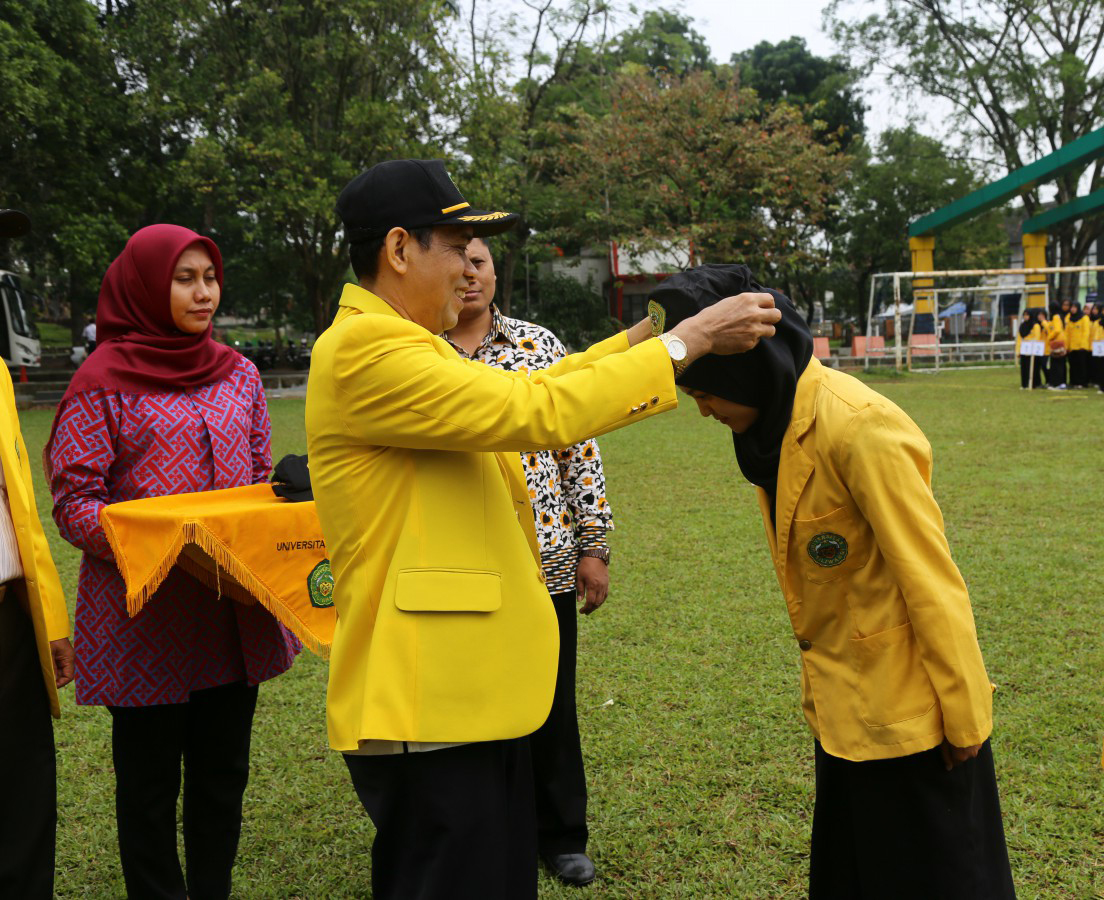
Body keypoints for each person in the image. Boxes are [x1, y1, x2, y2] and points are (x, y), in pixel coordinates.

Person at [305, 158, 781, 900]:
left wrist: (653, 332)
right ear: (399, 251)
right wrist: (687, 345)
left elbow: (538, 385)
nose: (471, 267)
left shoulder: (408, 343)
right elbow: (535, 414)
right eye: (457, 247)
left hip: (465, 690)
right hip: (428, 698)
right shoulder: (369, 349)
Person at [660, 264, 1014, 899]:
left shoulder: (860, 427)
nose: (704, 409)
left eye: (706, 393)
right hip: (845, 712)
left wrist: (965, 719)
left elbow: (930, 578)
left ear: (746, 370)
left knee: (940, 876)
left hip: (914, 722)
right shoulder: (774, 433)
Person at [47, 224, 300, 900]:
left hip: (229, 614)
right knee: (150, 789)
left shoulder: (238, 373)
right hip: (145, 617)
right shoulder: (102, 381)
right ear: (145, 286)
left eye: (209, 277)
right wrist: (167, 546)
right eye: (184, 278)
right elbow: (75, 504)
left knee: (223, 779)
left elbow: (253, 484)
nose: (203, 292)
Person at [442, 236, 608, 886]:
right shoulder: (423, 352)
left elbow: (579, 447)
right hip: (464, 570)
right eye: (457, 264)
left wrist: (593, 544)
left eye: (479, 263)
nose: (468, 275)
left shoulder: (538, 345)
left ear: (493, 272)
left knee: (551, 700)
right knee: (480, 704)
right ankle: (498, 831)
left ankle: (562, 834)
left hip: (549, 562)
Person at [0, 208, 74, 900]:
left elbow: (20, 510)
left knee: (23, 801)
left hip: (8, 621)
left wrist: (47, 616)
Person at [1015, 307, 1045, 389]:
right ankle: (1024, 384)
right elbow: (1019, 339)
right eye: (1024, 315)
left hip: (1033, 351)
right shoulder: (1022, 326)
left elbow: (1037, 337)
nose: (1025, 317)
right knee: (1024, 368)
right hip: (1024, 350)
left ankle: (1035, 383)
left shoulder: (1035, 326)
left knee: (1034, 368)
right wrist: (1018, 351)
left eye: (1027, 315)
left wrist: (1030, 343)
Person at [1065, 300, 1090, 387]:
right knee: (1073, 365)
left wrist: (1083, 345)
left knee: (1081, 365)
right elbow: (1067, 333)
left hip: (1081, 347)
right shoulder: (1069, 318)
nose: (1073, 309)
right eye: (1071, 307)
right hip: (1072, 346)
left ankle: (1082, 382)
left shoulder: (1084, 318)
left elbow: (1086, 332)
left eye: (1075, 307)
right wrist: (1067, 346)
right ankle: (1073, 381)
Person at [1045, 300, 1068, 389]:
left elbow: (1057, 330)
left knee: (1057, 363)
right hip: (1059, 342)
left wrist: (1049, 337)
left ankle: (1058, 383)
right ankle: (1057, 382)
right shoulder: (1059, 316)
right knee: (1058, 363)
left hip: (1057, 342)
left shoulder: (1056, 317)